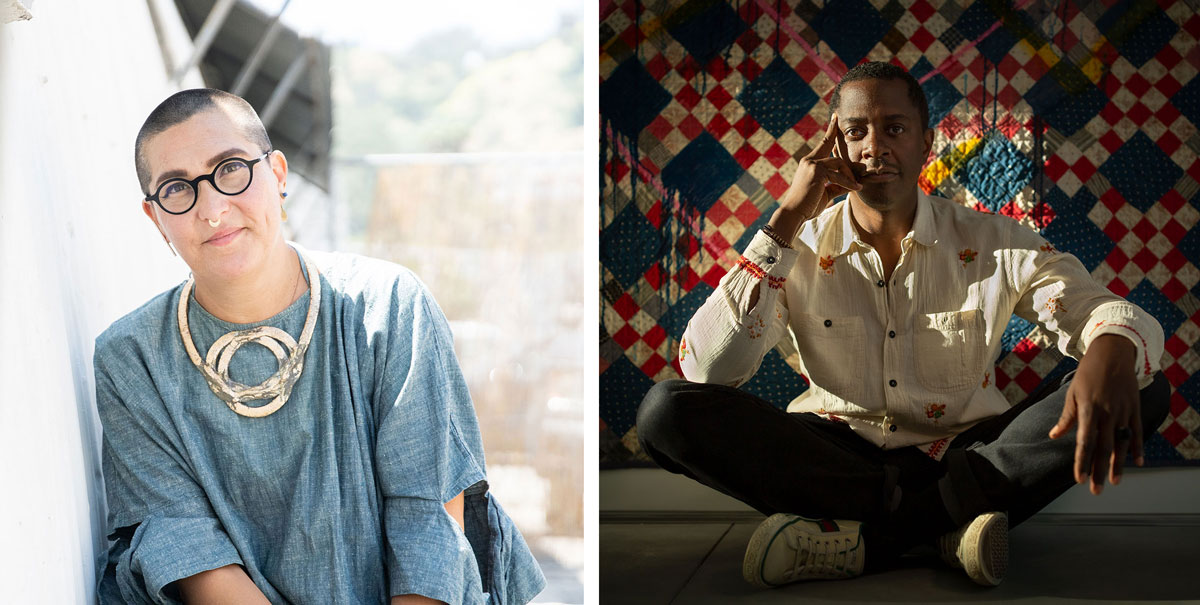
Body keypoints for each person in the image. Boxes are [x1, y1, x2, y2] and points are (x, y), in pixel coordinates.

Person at [636, 62, 1170, 588]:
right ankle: (942, 530)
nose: (874, 147)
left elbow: (1098, 309)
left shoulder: (994, 241)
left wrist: (1111, 346)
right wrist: (787, 216)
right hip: (836, 460)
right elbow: (705, 370)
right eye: (855, 132)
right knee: (667, 412)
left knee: (1143, 382)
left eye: (894, 129)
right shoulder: (792, 247)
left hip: (968, 456)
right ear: (834, 146)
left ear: (925, 143)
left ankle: (873, 542)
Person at [95, 88, 545, 604]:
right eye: (177, 189)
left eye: (231, 170)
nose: (213, 209)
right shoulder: (131, 358)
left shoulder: (387, 307)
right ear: (156, 219)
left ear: (279, 176)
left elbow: (427, 515)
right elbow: (183, 542)